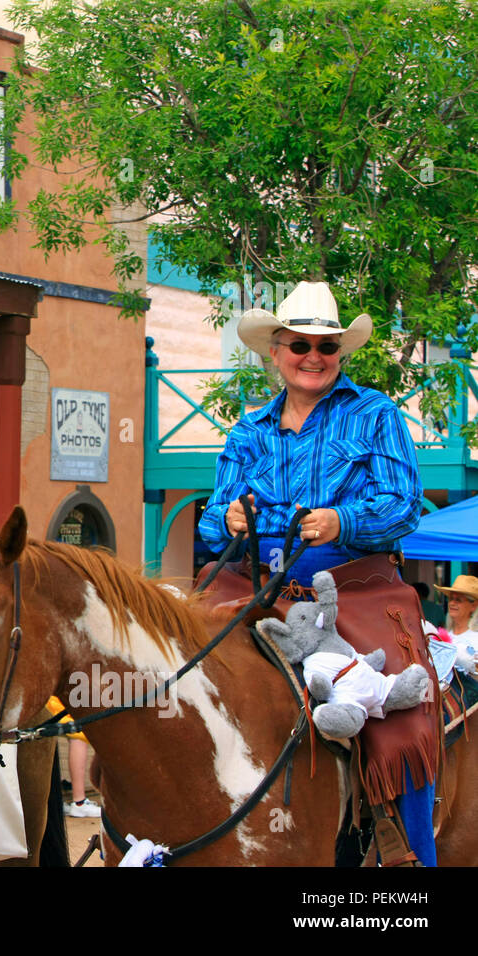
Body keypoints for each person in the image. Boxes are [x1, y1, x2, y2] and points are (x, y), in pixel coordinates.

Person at [198, 281, 432, 864]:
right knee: (170, 667)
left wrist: (341, 521)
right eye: (299, 344)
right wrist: (225, 518)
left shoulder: (375, 414)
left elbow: (405, 503)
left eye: (326, 347)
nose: (313, 357)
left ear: (340, 355)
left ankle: (409, 855)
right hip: (255, 582)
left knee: (406, 716)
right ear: (274, 351)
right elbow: (208, 520)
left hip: (358, 587)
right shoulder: (248, 431)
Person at [439, 575, 478, 643]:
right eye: (451, 599)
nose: (452, 603)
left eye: (458, 600)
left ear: (473, 606)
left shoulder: (475, 639)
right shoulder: (441, 638)